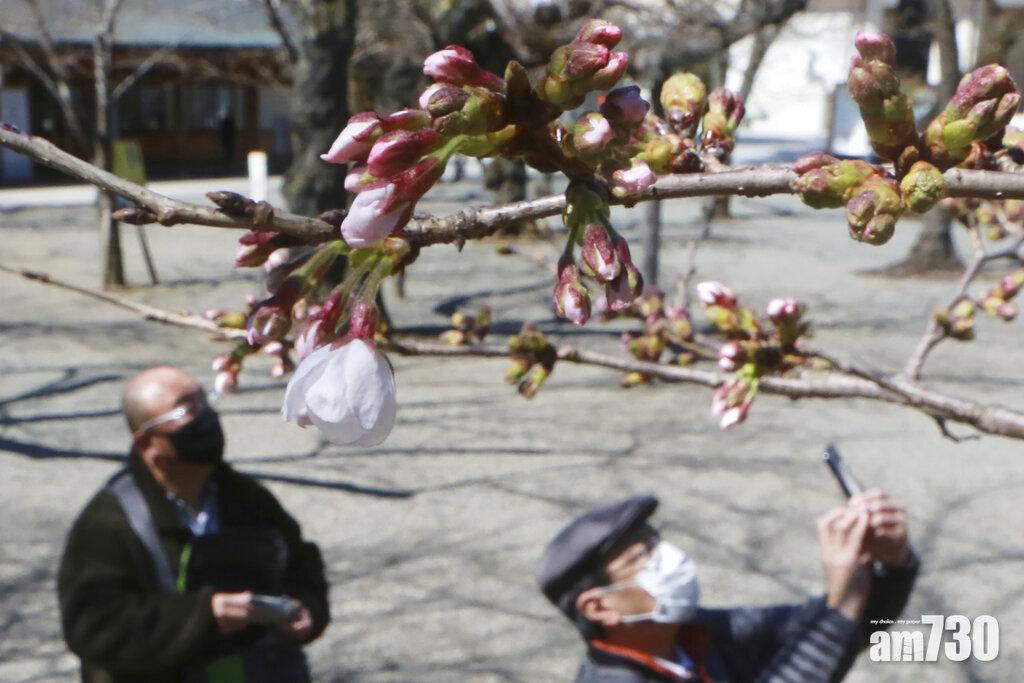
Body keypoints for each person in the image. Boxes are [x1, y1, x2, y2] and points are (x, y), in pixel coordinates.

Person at [58, 366, 330, 683]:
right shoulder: (109, 523)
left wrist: (305, 610)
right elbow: (93, 628)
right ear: (147, 442)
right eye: (187, 409)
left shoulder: (248, 499)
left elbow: (300, 565)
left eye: (204, 402)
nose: (205, 417)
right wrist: (205, 616)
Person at [536, 492, 918, 682]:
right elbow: (834, 623)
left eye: (658, 540)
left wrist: (890, 566)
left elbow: (830, 627)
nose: (669, 556)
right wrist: (843, 604)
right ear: (601, 608)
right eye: (643, 555)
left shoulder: (694, 637)